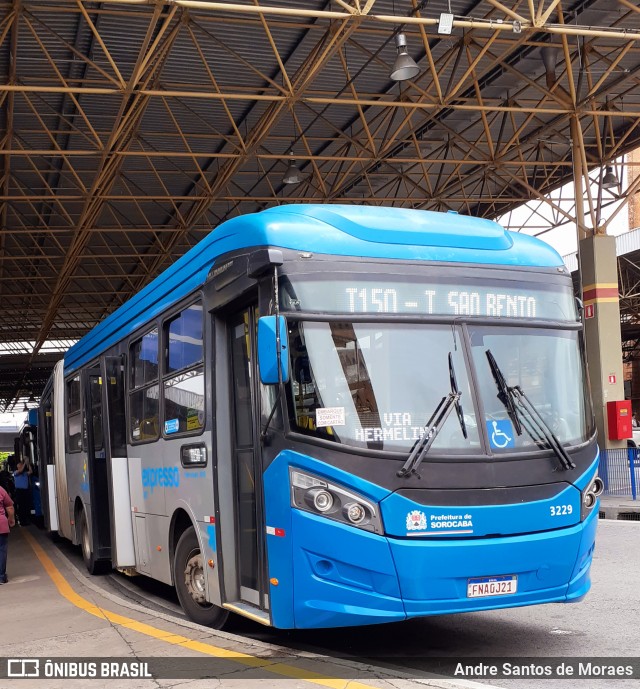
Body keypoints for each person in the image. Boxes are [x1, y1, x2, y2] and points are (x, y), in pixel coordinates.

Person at [0, 483, 15, 584]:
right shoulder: (0, 490)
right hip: (1, 525)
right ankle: (1, 576)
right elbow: (9, 506)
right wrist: (11, 519)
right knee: (1, 551)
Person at [13, 459, 32, 526]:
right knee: (21, 506)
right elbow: (20, 470)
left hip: (25, 491)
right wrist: (24, 463)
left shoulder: (25, 473)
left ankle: (26, 520)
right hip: (19, 491)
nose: (21, 467)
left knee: (26, 506)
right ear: (18, 467)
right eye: (20, 466)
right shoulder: (16, 472)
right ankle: (22, 521)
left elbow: (30, 471)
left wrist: (28, 464)